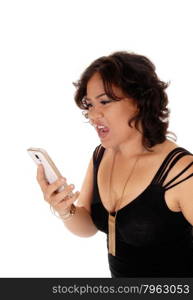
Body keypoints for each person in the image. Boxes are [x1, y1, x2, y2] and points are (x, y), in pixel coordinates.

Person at [37, 51, 193, 277]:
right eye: (89, 104)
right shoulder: (101, 155)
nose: (92, 115)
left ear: (139, 100)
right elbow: (88, 227)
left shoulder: (179, 171)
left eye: (104, 101)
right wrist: (64, 209)